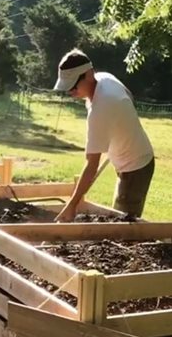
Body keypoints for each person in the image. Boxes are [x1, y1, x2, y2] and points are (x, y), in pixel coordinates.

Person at [53, 48, 155, 222]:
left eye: (73, 85)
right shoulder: (104, 78)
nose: (70, 91)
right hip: (128, 161)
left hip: (135, 167)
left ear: (88, 74)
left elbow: (91, 165)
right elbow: (128, 95)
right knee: (117, 217)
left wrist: (72, 205)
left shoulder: (102, 107)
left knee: (121, 226)